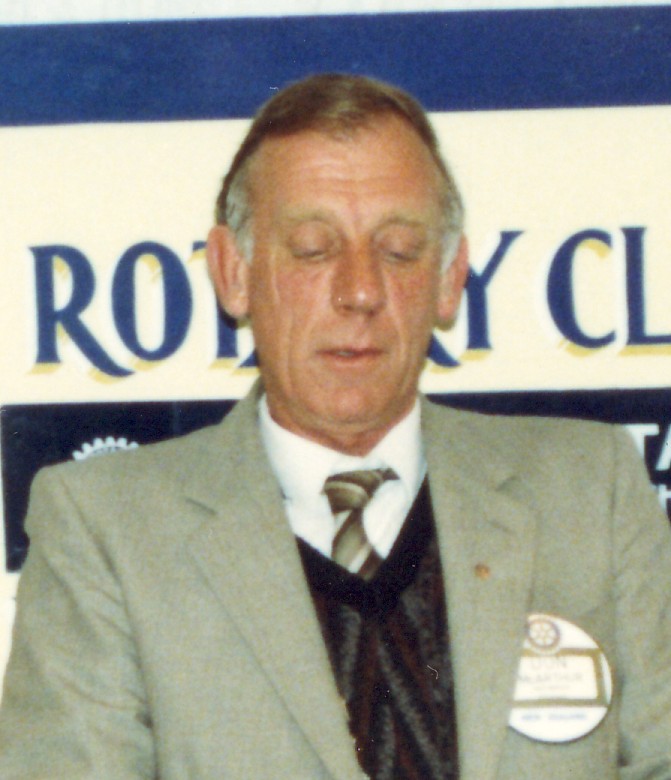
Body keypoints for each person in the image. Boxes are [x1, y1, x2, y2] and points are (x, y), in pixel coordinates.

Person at [0, 73, 670, 780]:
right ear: (233, 272)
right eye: (314, 249)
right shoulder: (106, 530)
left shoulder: (589, 492)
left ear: (450, 277)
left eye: (399, 250)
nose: (360, 291)